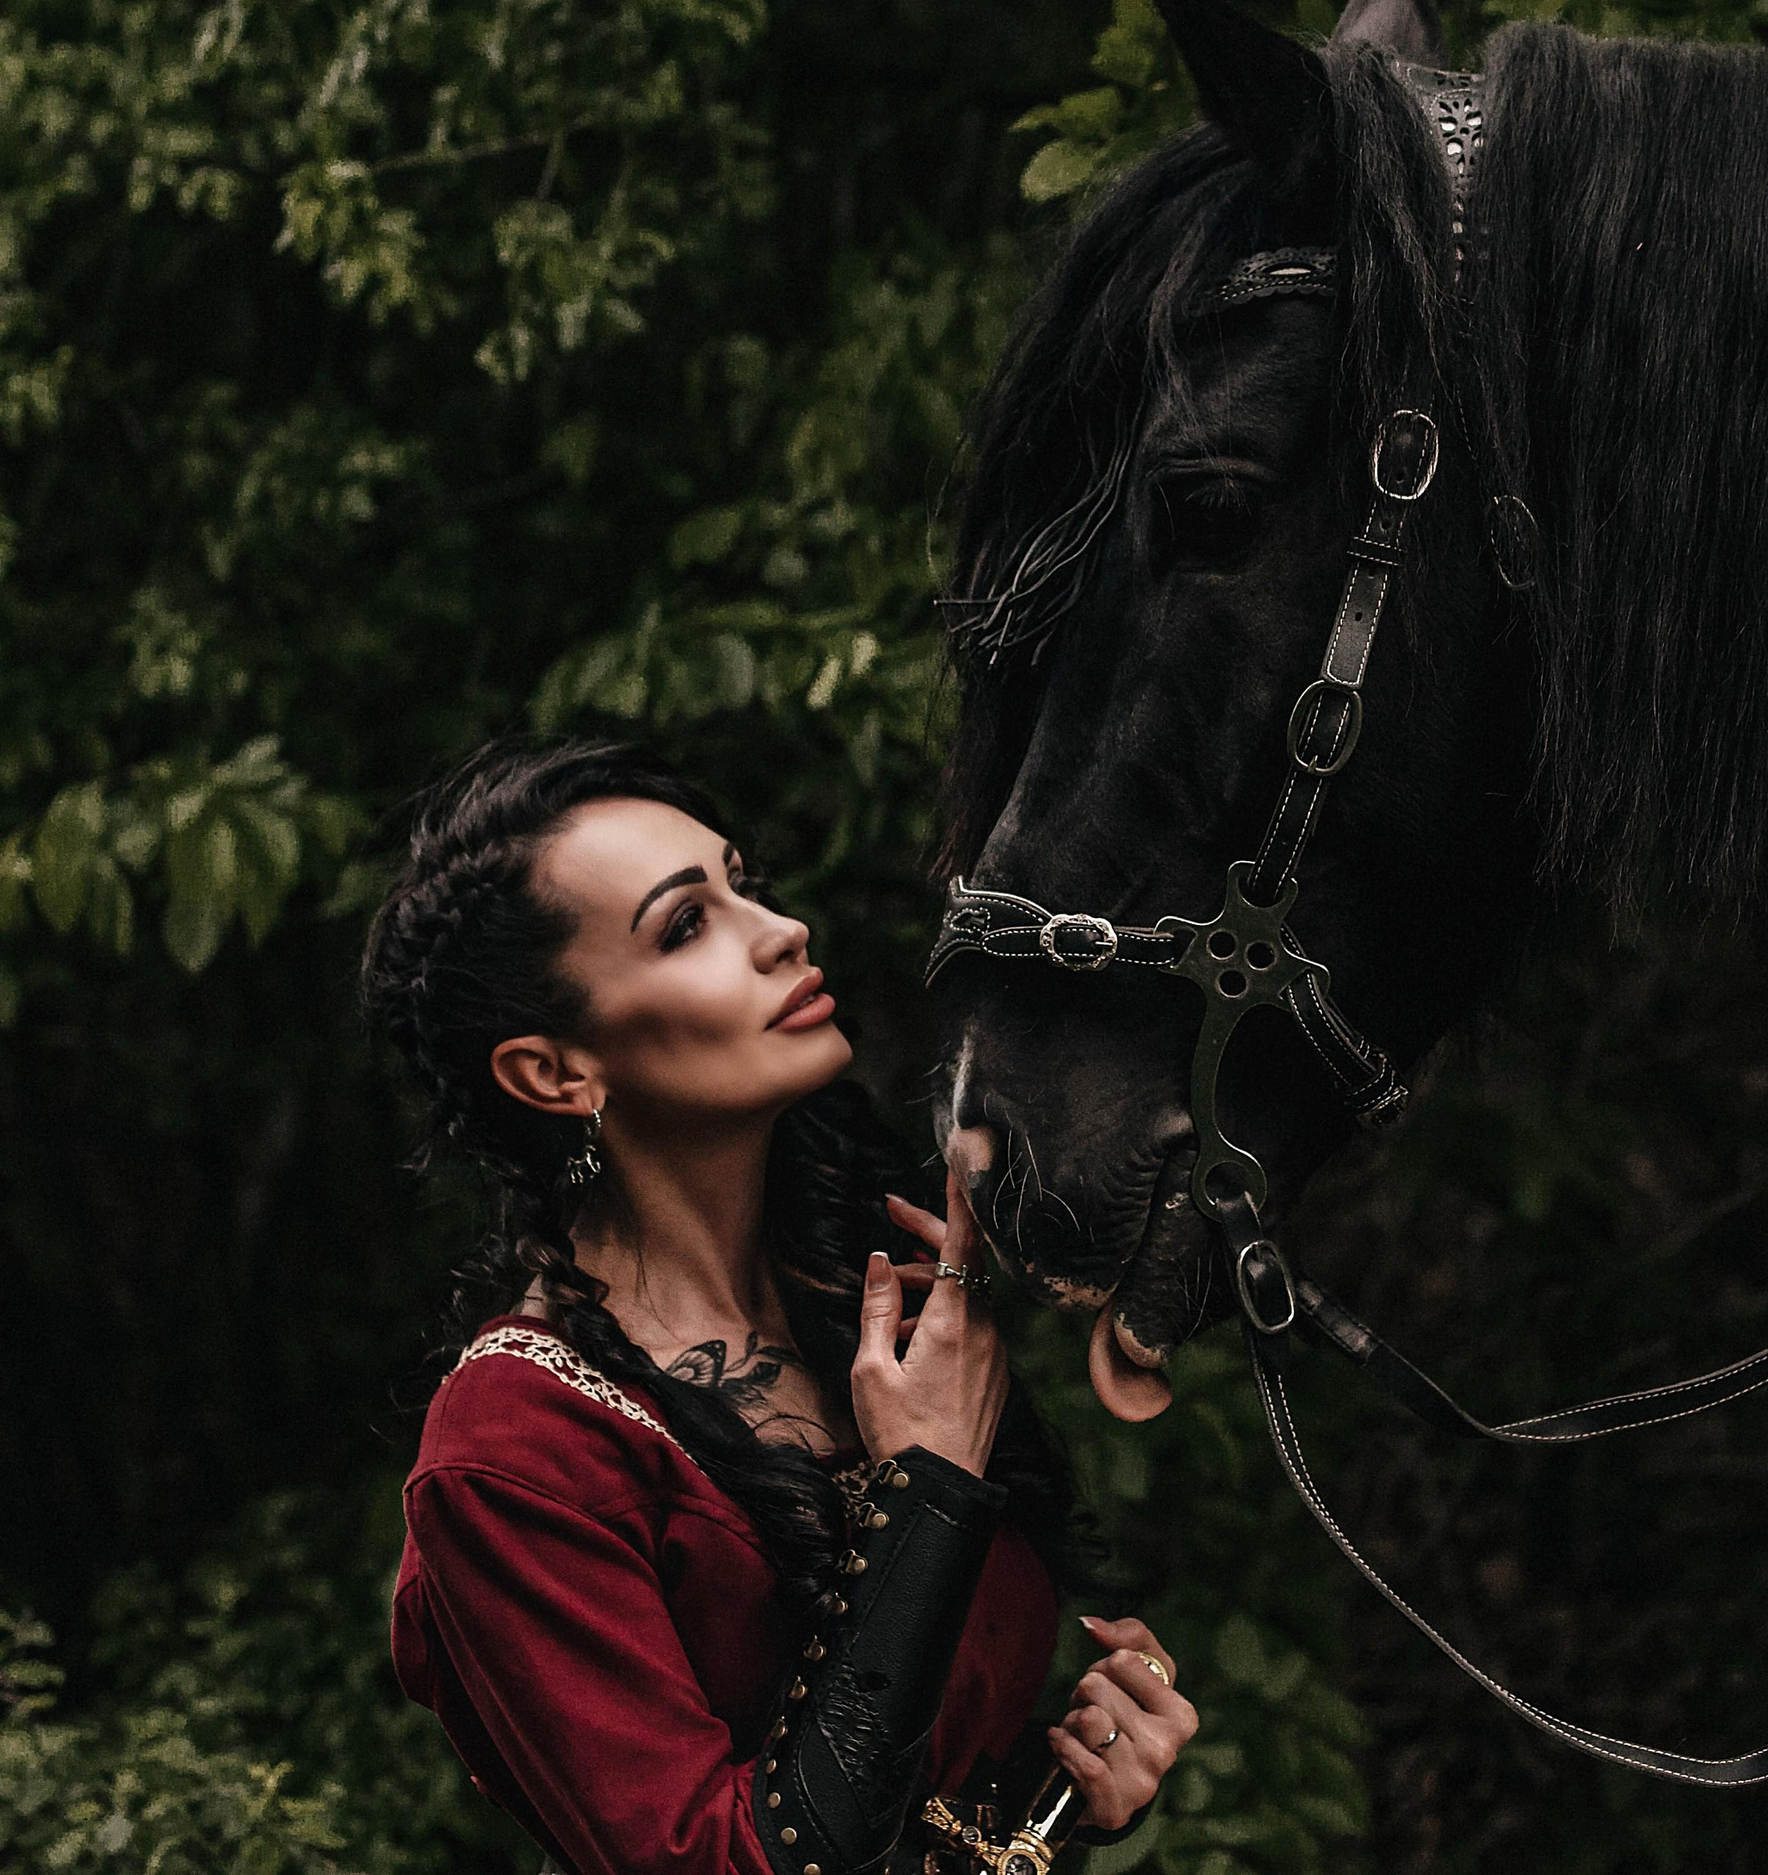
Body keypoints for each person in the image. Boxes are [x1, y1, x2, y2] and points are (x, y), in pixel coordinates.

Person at [361, 739, 1197, 1875]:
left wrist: (1074, 1780)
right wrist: (928, 1489)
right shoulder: (515, 1451)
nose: (780, 927)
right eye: (686, 923)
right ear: (557, 1072)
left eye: (742, 879)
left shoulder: (870, 1306)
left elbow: (939, 1776)